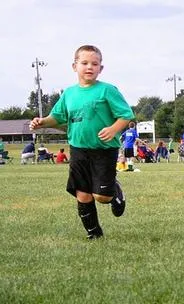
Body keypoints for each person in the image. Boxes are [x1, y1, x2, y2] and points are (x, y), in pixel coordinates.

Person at [29, 45, 134, 239]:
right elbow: (57, 117)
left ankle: (114, 189)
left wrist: (113, 129)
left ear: (100, 68)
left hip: (104, 149)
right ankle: (94, 234)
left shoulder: (107, 90)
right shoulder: (69, 93)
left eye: (95, 64)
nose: (89, 67)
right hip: (78, 149)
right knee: (83, 194)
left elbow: (126, 116)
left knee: (102, 197)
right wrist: (42, 122)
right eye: (84, 63)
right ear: (74, 66)